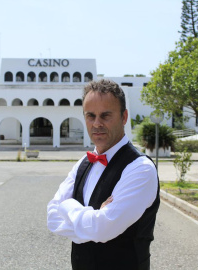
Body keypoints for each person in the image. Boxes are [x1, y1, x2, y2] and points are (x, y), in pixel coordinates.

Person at [47, 79, 160, 270]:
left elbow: (103, 229)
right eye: (90, 116)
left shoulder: (140, 168)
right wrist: (93, 216)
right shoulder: (83, 164)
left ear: (124, 117)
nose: (97, 123)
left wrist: (67, 207)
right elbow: (52, 218)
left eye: (105, 115)